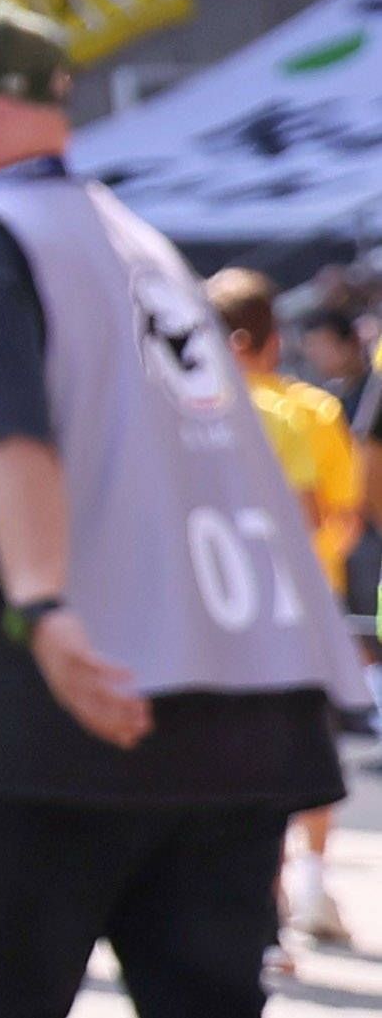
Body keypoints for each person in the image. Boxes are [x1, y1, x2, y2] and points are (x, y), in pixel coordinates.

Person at [0, 0, 363, 1018]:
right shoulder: (142, 247)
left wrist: (40, 603)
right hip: (239, 730)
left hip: (50, 724)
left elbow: (1, 428)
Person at [205, 270, 361, 958]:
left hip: (210, 608)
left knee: (231, 756)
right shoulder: (300, 410)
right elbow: (333, 515)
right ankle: (307, 882)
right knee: (300, 752)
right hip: (299, 612)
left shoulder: (178, 407)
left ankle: (258, 903)